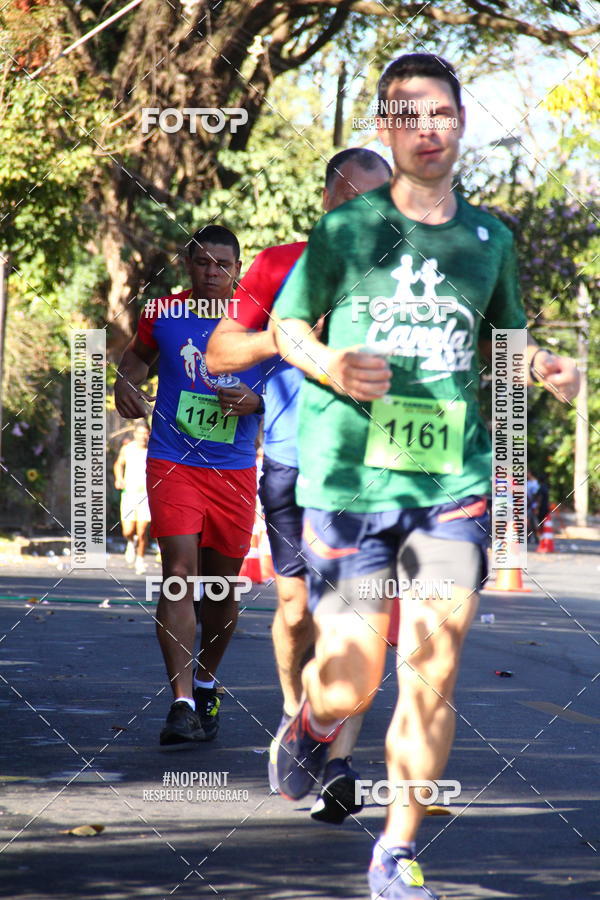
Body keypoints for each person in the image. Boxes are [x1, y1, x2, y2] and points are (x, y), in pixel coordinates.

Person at [271, 53, 580, 899]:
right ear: (385, 130)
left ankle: (396, 851)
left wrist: (546, 367)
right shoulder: (345, 232)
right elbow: (288, 324)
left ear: (460, 124)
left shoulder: (490, 240)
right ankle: (313, 719)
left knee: (433, 664)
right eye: (407, 116)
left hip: (451, 482)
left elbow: (504, 344)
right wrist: (331, 365)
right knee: (351, 674)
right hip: (350, 480)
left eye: (440, 113)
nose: (427, 129)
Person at [206, 148, 392, 823]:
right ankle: (297, 720)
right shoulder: (282, 263)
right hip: (292, 461)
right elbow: (221, 353)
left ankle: (338, 761)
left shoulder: (403, 268)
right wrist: (283, 340)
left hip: (378, 471)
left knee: (358, 617)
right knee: (296, 614)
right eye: (361, 199)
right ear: (329, 197)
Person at [115, 224, 266, 749]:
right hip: (172, 458)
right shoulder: (162, 313)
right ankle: (180, 703)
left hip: (234, 469)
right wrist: (124, 382)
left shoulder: (258, 321)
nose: (211, 274)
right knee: (179, 573)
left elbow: (292, 383)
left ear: (237, 270)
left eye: (222, 265)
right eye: (202, 263)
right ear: (187, 265)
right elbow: (135, 356)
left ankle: (206, 684)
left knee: (220, 589)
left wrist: (259, 401)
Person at [113, 423, 151, 574]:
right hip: (129, 493)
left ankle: (140, 560)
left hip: (146, 495)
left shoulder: (153, 450)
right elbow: (118, 464)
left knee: (142, 531)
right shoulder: (127, 449)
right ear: (135, 434)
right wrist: (119, 478)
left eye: (145, 433)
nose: (143, 436)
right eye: (140, 433)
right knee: (128, 530)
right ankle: (130, 541)